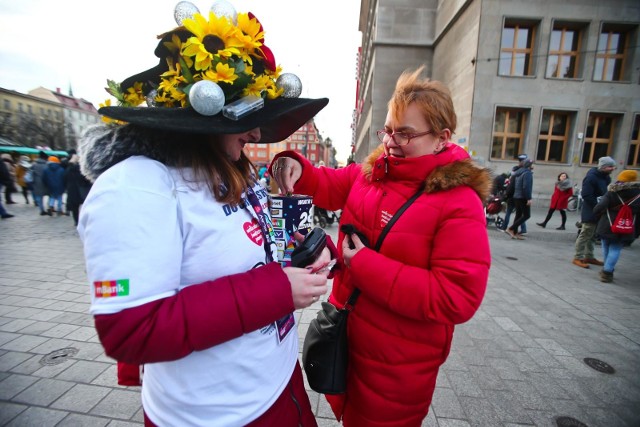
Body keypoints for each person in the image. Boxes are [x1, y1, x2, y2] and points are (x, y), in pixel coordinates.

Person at [77, 5, 332, 426]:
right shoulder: (137, 184)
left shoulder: (230, 166)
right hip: (217, 415)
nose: (255, 134)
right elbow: (131, 330)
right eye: (247, 119)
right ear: (201, 113)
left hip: (280, 383)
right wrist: (276, 291)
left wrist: (303, 253)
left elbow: (249, 250)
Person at [270, 66, 492, 426]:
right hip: (347, 341)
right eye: (388, 130)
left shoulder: (458, 201)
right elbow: (324, 183)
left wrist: (365, 265)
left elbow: (457, 297)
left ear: (442, 138)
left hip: (399, 364)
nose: (390, 142)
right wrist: (293, 167)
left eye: (405, 134)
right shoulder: (370, 174)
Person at [593, 170, 640, 282]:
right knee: (616, 248)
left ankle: (607, 270)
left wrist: (596, 212)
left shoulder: (613, 191)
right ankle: (607, 271)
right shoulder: (638, 194)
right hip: (626, 225)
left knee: (606, 246)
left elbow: (600, 207)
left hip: (608, 224)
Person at [573, 156, 616, 268]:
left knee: (592, 235)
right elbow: (586, 195)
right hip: (591, 210)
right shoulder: (591, 177)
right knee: (585, 233)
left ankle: (589, 256)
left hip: (599, 210)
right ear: (603, 167)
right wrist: (598, 206)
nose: (613, 168)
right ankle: (578, 257)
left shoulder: (605, 177)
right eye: (610, 166)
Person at [499, 154, 528, 232]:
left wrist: (506, 195)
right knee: (520, 214)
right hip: (520, 197)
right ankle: (523, 229)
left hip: (513, 197)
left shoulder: (515, 177)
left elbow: (511, 188)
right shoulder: (525, 174)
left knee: (509, 212)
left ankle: (505, 227)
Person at [506, 159, 534, 240]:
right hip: (523, 197)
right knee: (527, 215)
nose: (533, 165)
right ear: (529, 165)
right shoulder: (527, 173)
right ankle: (511, 229)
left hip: (516, 196)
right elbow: (526, 186)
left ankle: (514, 233)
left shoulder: (519, 172)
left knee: (518, 215)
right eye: (532, 164)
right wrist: (529, 198)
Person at [64, 150, 93, 226]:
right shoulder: (81, 169)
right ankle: (85, 220)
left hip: (73, 190)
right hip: (82, 189)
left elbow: (65, 176)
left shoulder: (69, 169)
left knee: (75, 207)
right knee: (85, 205)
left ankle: (77, 221)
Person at [32, 150, 50, 216]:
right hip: (45, 182)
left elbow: (32, 174)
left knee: (39, 196)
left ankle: (41, 210)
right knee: (50, 195)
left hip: (37, 182)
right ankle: (50, 207)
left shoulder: (34, 164)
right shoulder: (46, 165)